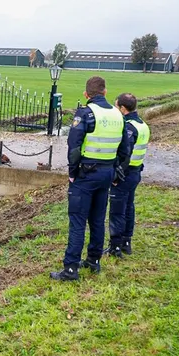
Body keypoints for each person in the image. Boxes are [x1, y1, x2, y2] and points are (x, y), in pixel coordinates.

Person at [51, 76, 130, 281]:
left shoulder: (86, 113)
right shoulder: (117, 114)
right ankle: (94, 260)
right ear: (105, 92)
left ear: (87, 95)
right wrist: (117, 171)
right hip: (107, 173)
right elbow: (125, 149)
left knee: (77, 221)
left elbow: (74, 146)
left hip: (86, 174)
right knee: (97, 219)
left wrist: (72, 172)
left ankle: (70, 268)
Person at [107, 93, 150, 258]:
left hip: (126, 174)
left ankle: (115, 247)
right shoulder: (143, 125)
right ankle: (126, 242)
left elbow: (126, 154)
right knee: (129, 207)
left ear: (123, 109)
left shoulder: (129, 127)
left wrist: (117, 176)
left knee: (117, 211)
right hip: (136, 172)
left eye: (117, 106)